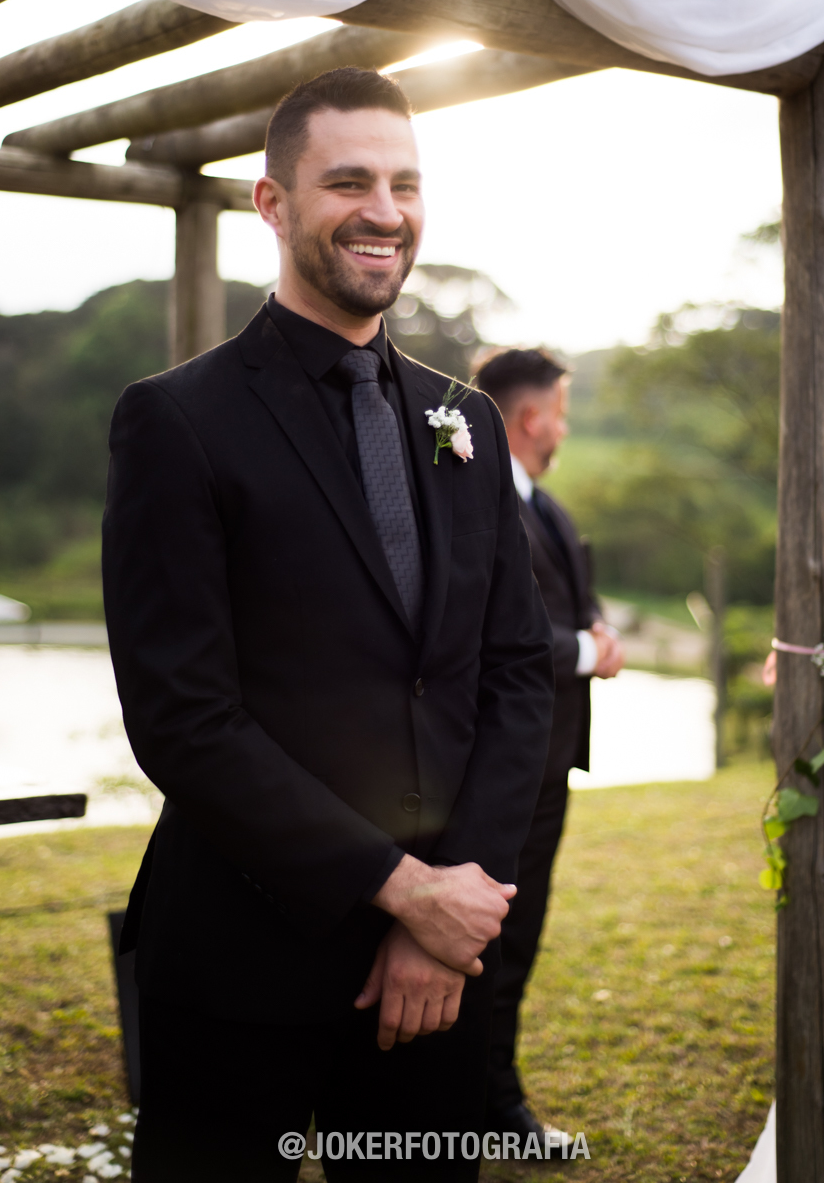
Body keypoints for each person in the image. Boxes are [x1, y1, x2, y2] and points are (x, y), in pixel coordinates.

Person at [102, 67, 554, 1182]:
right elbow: (184, 720)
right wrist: (398, 888)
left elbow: (514, 677)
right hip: (241, 958)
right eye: (348, 181)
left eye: (404, 183)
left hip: (440, 967)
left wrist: (453, 912)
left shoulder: (469, 420)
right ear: (273, 203)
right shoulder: (177, 421)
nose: (385, 211)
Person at [472, 348, 624, 1147]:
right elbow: (508, 638)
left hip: (550, 762)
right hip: (500, 771)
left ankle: (489, 1094)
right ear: (531, 419)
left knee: (520, 938)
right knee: (492, 940)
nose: (564, 426)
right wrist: (584, 652)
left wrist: (594, 631)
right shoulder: (480, 503)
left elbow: (573, 602)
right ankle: (490, 1106)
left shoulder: (548, 508)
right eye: (560, 412)